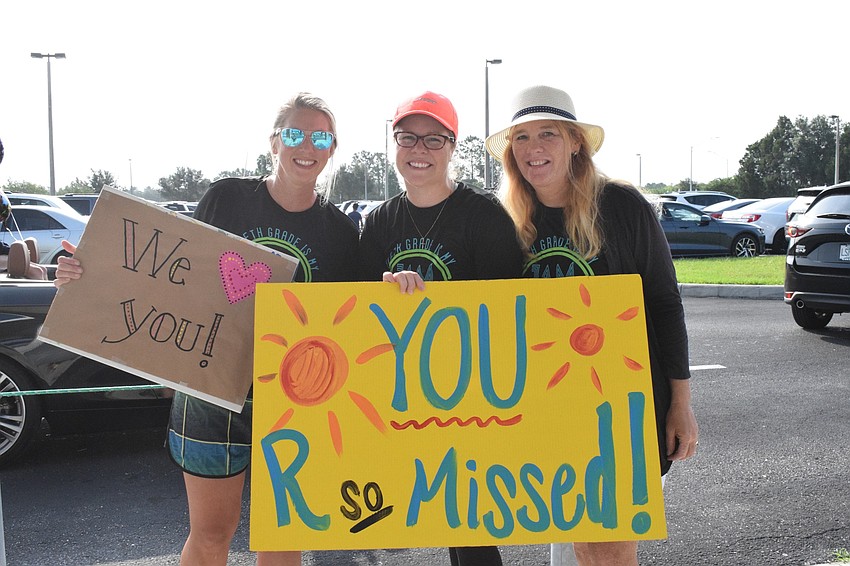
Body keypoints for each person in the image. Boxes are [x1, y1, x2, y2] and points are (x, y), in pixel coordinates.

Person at [54, 92, 360, 566]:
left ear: (332, 148)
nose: (308, 146)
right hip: (211, 390)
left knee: (282, 534)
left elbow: (349, 320)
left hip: (296, 396)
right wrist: (83, 273)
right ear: (274, 142)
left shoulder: (340, 230)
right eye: (295, 133)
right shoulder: (228, 198)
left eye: (322, 137)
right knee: (212, 533)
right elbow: (167, 276)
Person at [485, 85, 699, 566]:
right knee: (570, 544)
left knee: (604, 548)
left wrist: (681, 405)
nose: (533, 149)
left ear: (575, 142)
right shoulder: (507, 219)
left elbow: (665, 304)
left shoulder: (621, 207)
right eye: (521, 137)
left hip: (621, 412)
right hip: (546, 410)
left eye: (548, 134)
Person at [359, 91, 524, 566]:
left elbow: (506, 307)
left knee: (469, 529)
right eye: (407, 137)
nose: (419, 150)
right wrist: (384, 293)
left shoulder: (485, 217)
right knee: (392, 521)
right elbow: (356, 314)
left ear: (454, 147)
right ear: (394, 145)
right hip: (399, 392)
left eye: (434, 139)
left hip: (470, 395)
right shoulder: (379, 222)